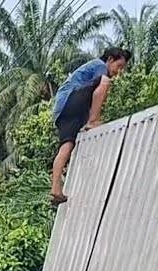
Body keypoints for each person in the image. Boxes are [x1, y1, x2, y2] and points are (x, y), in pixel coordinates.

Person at [50, 47, 131, 205]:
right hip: (70, 99)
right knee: (105, 81)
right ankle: (93, 121)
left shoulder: (91, 72)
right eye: (119, 66)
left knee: (67, 146)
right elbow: (102, 85)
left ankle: (56, 188)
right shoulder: (99, 65)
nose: (120, 71)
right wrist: (92, 119)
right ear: (110, 59)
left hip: (62, 111)